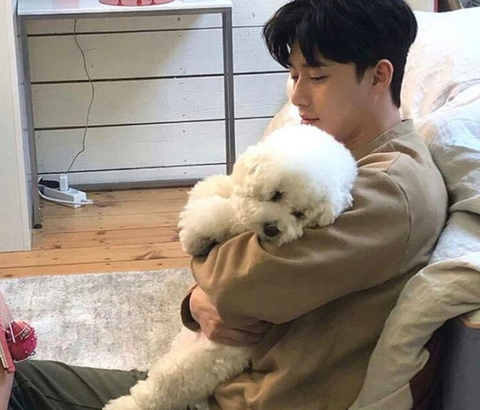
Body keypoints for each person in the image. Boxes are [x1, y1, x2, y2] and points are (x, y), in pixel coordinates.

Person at [3, 0, 448, 409]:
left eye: (317, 77)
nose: (297, 96)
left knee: (17, 384)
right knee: (19, 376)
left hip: (244, 399)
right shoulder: (340, 156)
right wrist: (197, 299)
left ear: (379, 76)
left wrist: (203, 288)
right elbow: (225, 244)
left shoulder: (383, 192)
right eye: (294, 75)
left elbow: (234, 284)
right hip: (222, 381)